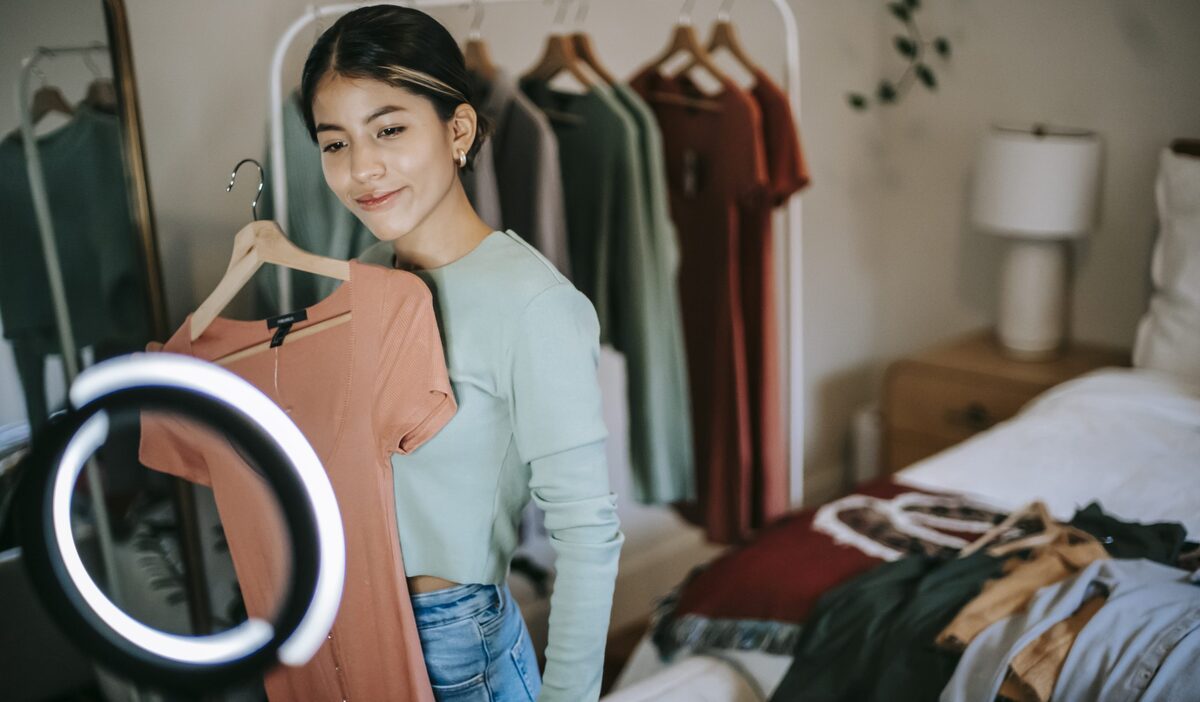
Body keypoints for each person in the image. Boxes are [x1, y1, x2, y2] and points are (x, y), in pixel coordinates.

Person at [299, 5, 623, 701]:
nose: (362, 168)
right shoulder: (363, 279)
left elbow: (589, 536)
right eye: (335, 143)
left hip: (454, 643)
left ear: (459, 130)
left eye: (388, 130)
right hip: (344, 620)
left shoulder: (533, 304)